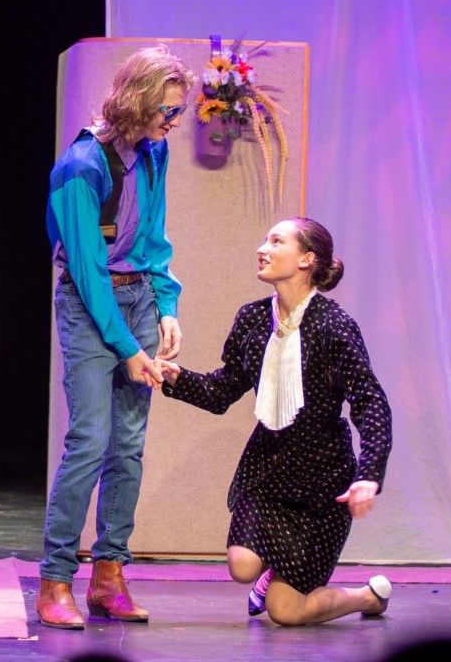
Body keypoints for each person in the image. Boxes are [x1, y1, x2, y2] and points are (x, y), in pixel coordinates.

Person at [156, 217, 393, 626]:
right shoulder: (252, 319)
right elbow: (222, 391)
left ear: (306, 259)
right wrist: (176, 379)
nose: (262, 249)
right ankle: (269, 574)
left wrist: (369, 475)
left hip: (322, 485)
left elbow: (370, 402)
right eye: (265, 240)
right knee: (242, 565)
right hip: (266, 471)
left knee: (286, 612)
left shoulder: (334, 326)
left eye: (276, 242)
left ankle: (367, 598)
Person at [39, 44, 196, 630]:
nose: (173, 122)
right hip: (89, 306)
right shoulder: (82, 166)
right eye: (167, 110)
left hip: (137, 299)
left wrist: (166, 306)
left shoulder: (154, 151)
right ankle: (56, 578)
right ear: (137, 100)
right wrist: (128, 348)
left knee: (128, 445)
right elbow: (87, 271)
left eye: (178, 111)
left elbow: (153, 238)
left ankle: (109, 575)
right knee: (90, 440)